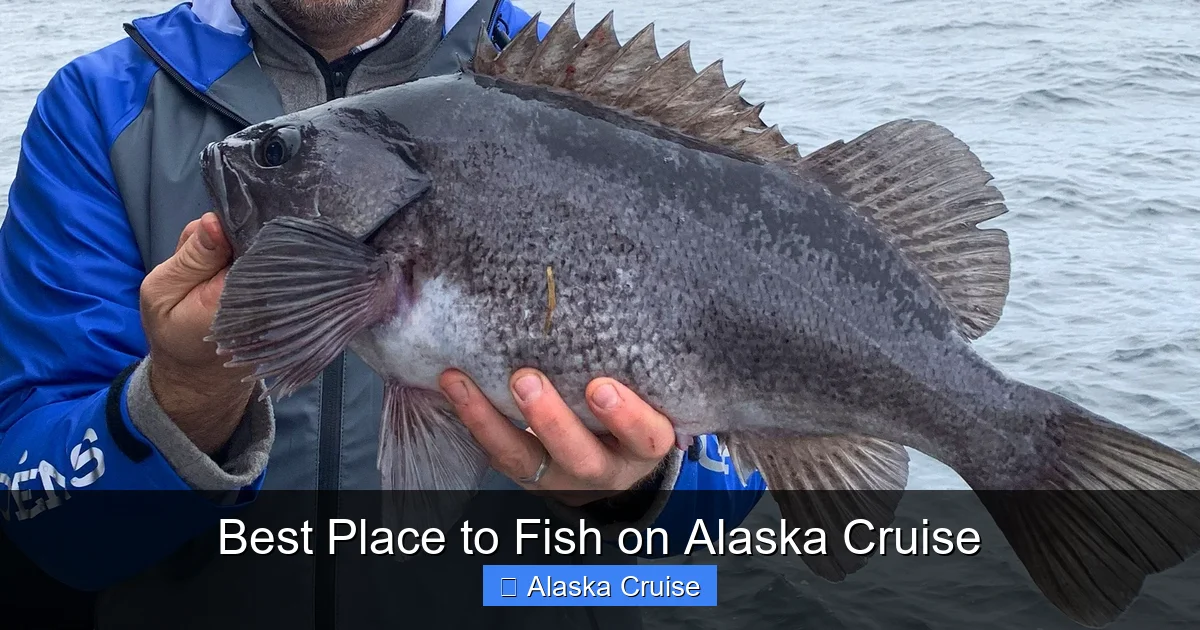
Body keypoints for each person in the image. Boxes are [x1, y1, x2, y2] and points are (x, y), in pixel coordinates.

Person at [0, 0, 767, 627]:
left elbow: (726, 518)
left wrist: (638, 488)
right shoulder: (98, 110)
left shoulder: (583, 88)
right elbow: (43, 520)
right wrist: (186, 398)